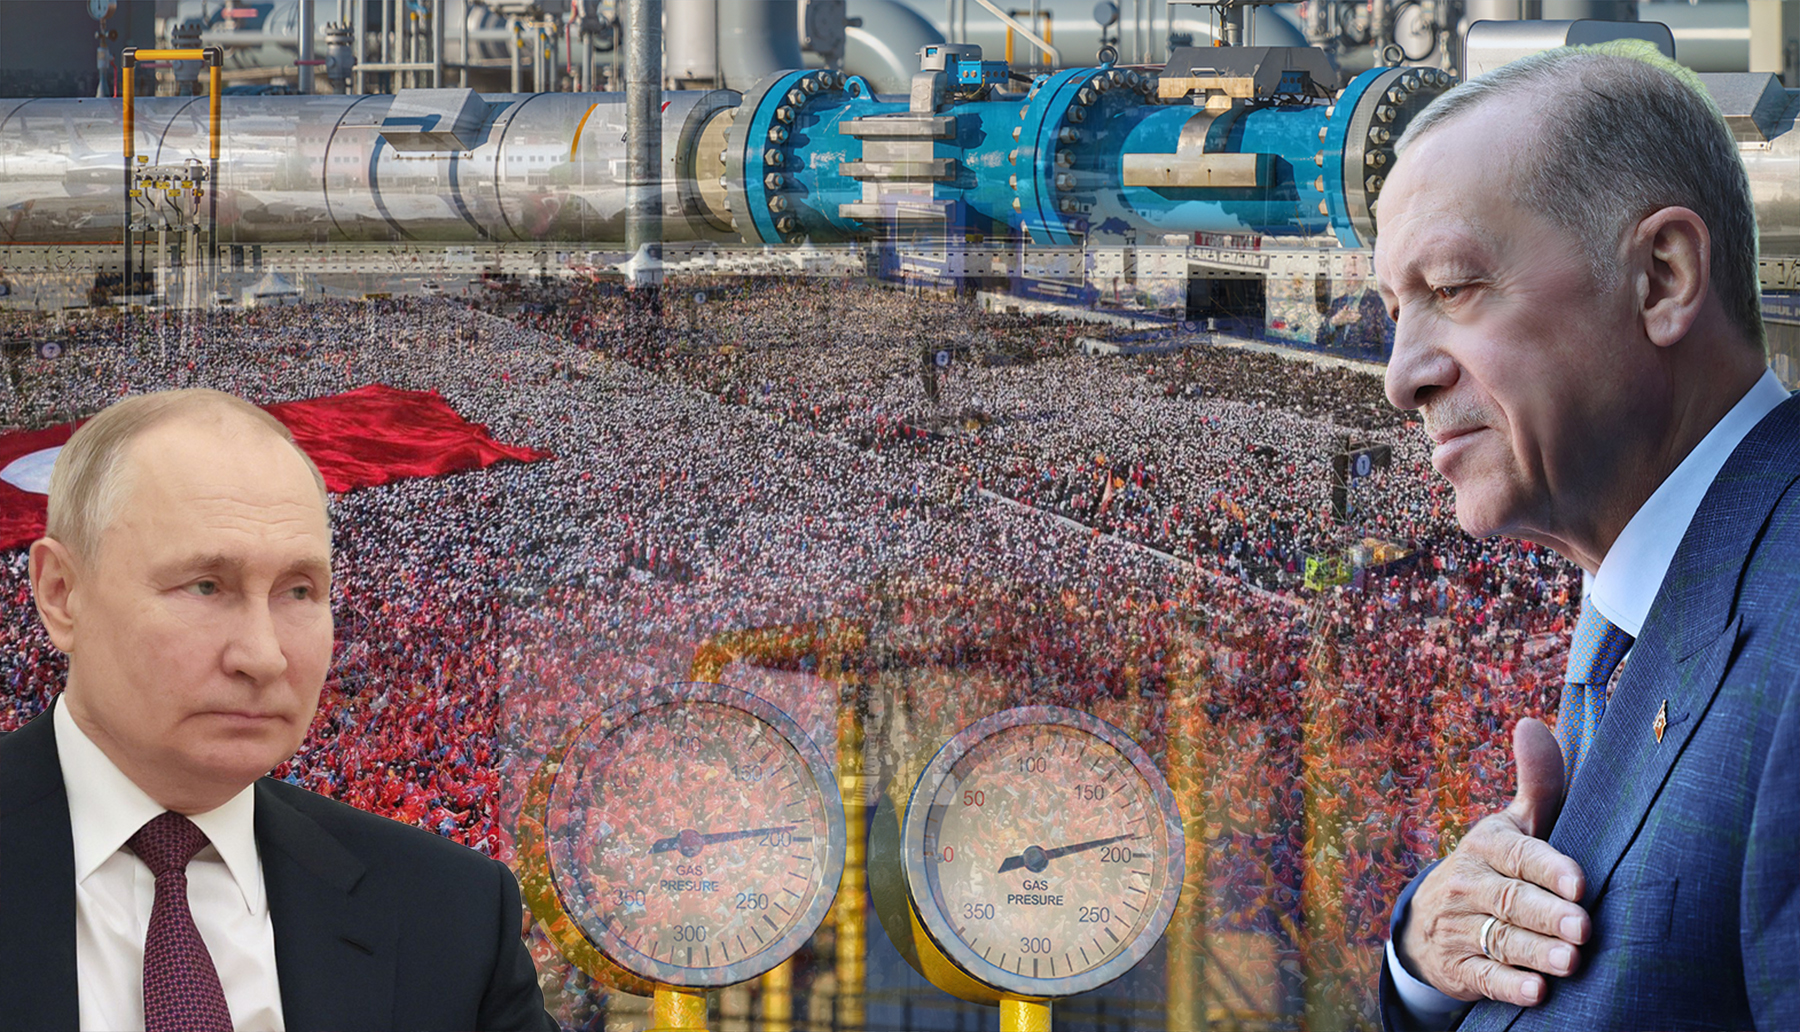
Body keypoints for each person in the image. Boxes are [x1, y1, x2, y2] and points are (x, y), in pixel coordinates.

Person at [1373, 42, 1800, 1030]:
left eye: (1453, 286)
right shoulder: (1643, 606)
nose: (1400, 377)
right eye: (1392, 313)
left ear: (1661, 277)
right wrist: (1429, 953)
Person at [0, 389, 557, 1032]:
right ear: (61, 594)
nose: (263, 656)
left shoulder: (450, 914)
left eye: (299, 590)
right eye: (205, 586)